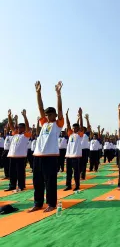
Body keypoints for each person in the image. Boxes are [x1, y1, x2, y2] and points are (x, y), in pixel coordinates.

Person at [30, 81, 64, 213]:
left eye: (51, 114)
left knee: (50, 181)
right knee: (37, 181)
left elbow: (60, 110)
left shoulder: (58, 124)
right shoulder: (44, 123)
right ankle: (38, 203)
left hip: (50, 156)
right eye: (47, 114)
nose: (48, 116)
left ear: (55, 115)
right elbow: (40, 108)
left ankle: (51, 203)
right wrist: (38, 93)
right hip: (38, 155)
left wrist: (58, 94)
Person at [5, 109, 31, 191]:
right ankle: (12, 185)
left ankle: (21, 186)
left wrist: (24, 116)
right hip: (12, 155)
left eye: (20, 127)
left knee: (20, 172)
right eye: (18, 127)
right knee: (12, 172)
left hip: (21, 157)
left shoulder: (26, 135)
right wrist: (9, 116)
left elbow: (27, 126)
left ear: (24, 128)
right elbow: (12, 126)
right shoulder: (15, 134)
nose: (18, 128)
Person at [64, 108, 84, 191]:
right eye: (73, 128)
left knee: (76, 172)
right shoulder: (70, 134)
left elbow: (81, 126)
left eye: (75, 128)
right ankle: (68, 185)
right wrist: (66, 115)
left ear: (78, 128)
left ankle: (77, 185)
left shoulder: (80, 134)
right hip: (69, 155)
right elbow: (68, 125)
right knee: (68, 172)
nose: (73, 129)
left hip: (76, 155)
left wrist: (81, 115)